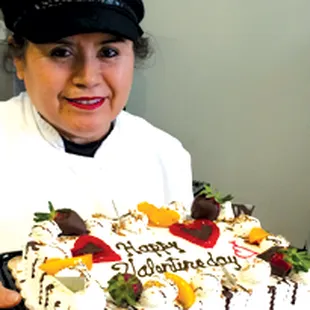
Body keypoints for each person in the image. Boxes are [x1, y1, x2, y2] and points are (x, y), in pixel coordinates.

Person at [0, 0, 193, 307]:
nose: (88, 78)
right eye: (60, 52)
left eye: (108, 52)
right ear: (20, 60)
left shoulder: (167, 155)